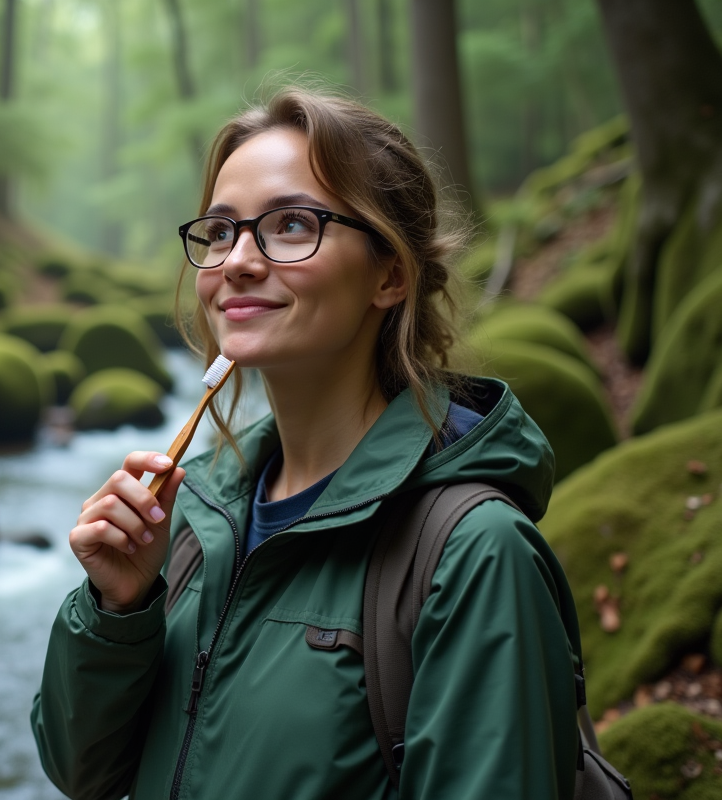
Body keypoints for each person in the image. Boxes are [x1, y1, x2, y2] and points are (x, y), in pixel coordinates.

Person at [31, 88, 582, 800]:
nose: (237, 260)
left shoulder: (474, 556)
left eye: (291, 224)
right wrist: (118, 610)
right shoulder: (193, 518)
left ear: (390, 274)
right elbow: (83, 771)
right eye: (221, 231)